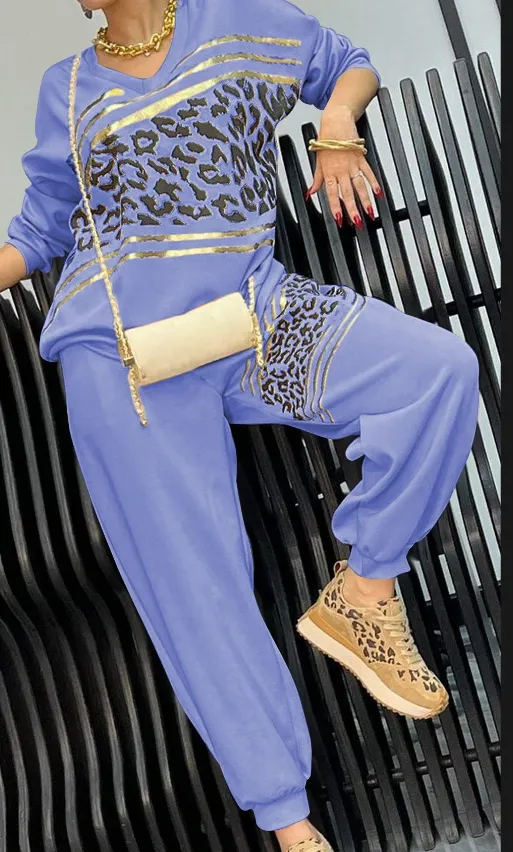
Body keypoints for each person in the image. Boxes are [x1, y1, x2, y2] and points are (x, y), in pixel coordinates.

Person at [0, 1, 479, 849]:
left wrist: (337, 128)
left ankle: (363, 590)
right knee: (193, 582)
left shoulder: (235, 18)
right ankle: (289, 823)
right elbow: (40, 229)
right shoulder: (66, 87)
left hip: (254, 316)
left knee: (436, 373)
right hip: (120, 359)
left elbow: (343, 61)